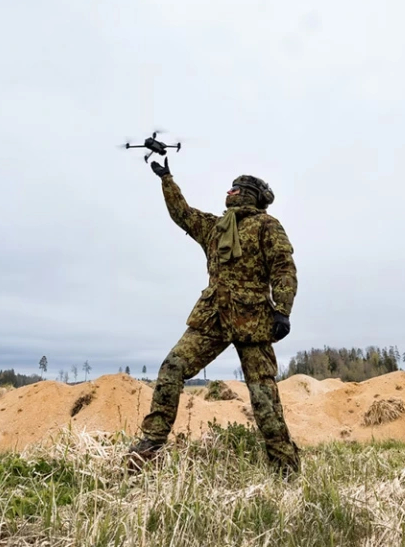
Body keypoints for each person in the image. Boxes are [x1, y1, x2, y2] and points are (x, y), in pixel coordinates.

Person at [126, 157, 301, 476]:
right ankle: (150, 446)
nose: (231, 191)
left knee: (263, 395)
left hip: (253, 320)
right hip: (214, 315)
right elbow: (183, 214)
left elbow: (283, 267)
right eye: (231, 187)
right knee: (173, 367)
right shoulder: (215, 227)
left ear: (250, 194)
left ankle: (285, 468)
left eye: (237, 188)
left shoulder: (266, 225)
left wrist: (282, 310)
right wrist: (166, 178)